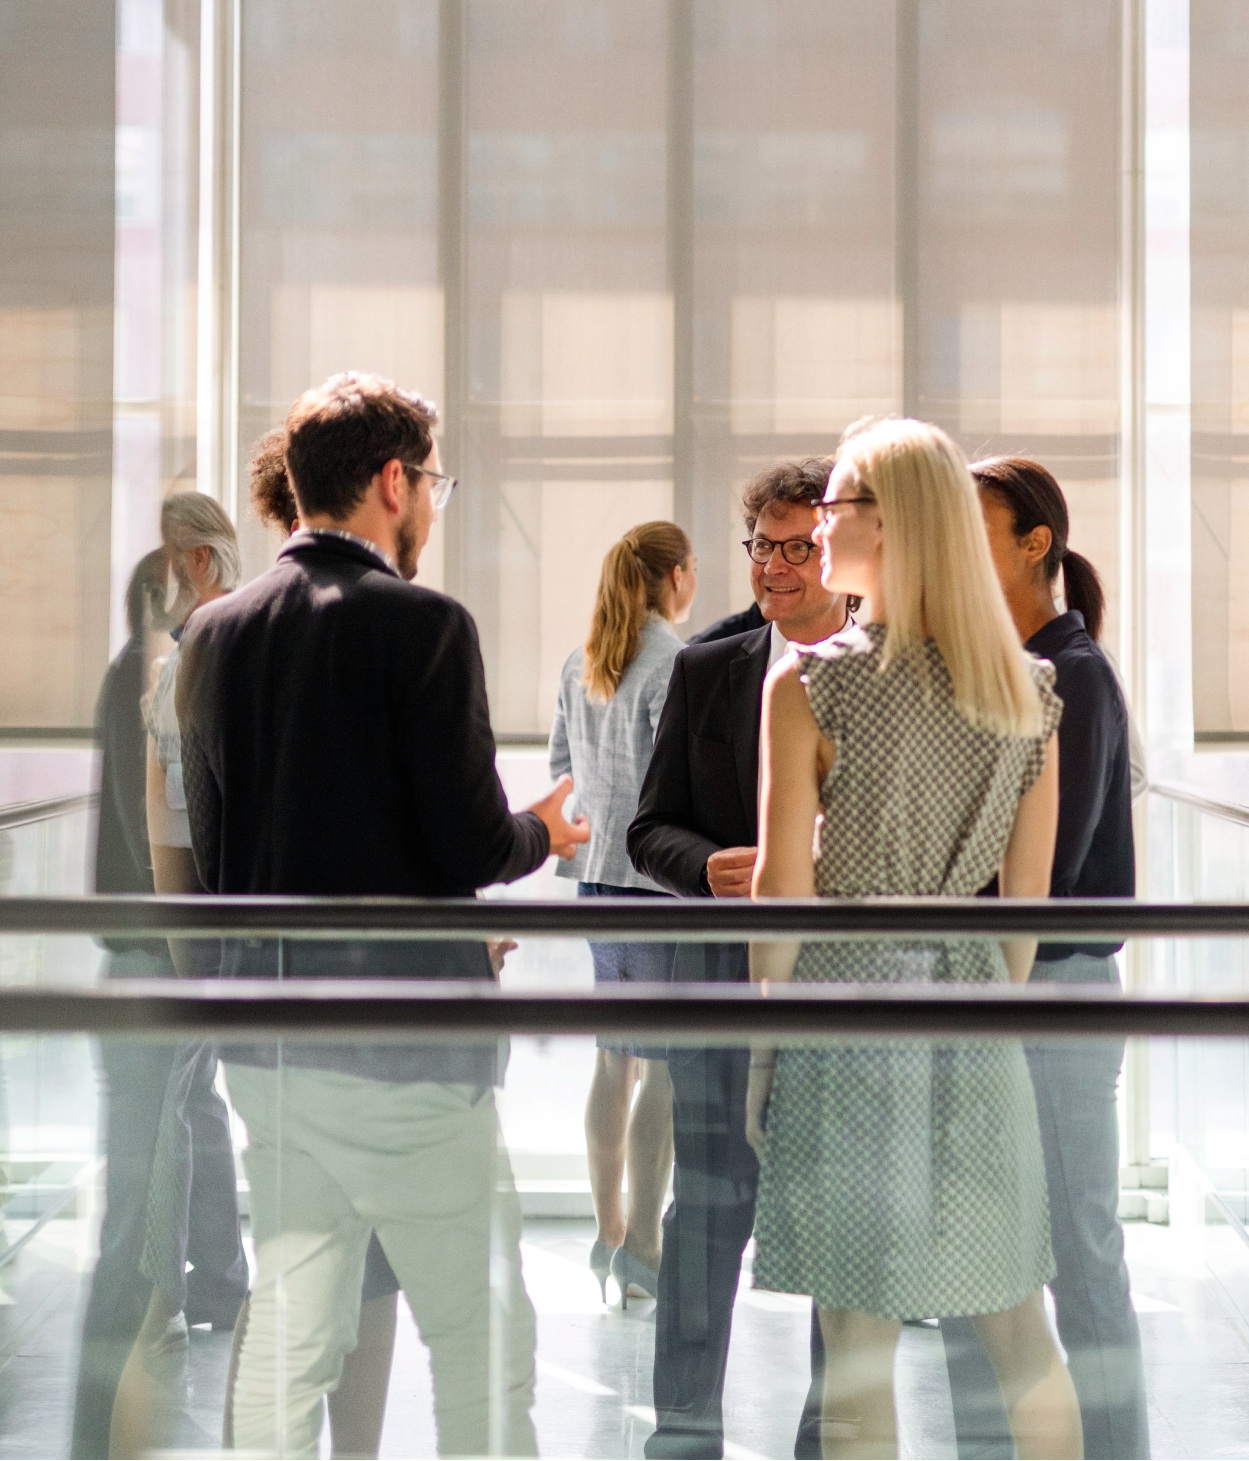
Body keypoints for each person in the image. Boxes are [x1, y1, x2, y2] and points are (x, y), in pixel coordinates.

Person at [175, 371, 589, 1456]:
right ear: (394, 483)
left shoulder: (214, 633)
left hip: (272, 1045)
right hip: (408, 1056)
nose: (435, 508)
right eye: (436, 485)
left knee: (290, 1326)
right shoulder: (425, 626)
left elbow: (226, 863)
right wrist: (543, 831)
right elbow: (468, 843)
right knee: (479, 1331)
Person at [746, 418, 1081, 1461]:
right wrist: (985, 1001)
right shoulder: (1027, 693)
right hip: (975, 1012)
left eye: (837, 507)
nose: (816, 527)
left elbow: (780, 891)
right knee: (1021, 1334)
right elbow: (1023, 906)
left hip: (845, 1015)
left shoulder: (808, 685)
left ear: (888, 527)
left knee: (856, 1348)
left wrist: (764, 1040)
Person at [626, 457, 853, 1460]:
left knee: (838, 1231)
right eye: (760, 545)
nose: (773, 565)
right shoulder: (704, 668)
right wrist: (706, 864)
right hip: (720, 988)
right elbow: (646, 830)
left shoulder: (884, 677)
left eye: (796, 546)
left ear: (839, 551)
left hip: (838, 1000)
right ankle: (682, 1430)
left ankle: (827, 1436)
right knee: (705, 1217)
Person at [940, 457, 1148, 1460]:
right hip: (986, 989)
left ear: (1035, 545)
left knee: (1079, 1257)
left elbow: (1045, 869)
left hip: (1052, 992)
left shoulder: (1071, 673)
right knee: (973, 1266)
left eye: (972, 527)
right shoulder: (989, 668)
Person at [217, 427, 403, 1461]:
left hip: (259, 1003)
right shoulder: (404, 625)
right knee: (354, 1259)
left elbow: (197, 847)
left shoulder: (220, 633)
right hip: (372, 1009)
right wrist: (532, 841)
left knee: (293, 1251)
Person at [70, 550, 247, 1458]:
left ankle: (212, 1282)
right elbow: (156, 828)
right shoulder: (153, 676)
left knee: (193, 1116)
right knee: (158, 1141)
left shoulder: (145, 670)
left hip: (158, 946)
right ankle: (169, 1298)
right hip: (155, 949)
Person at [550, 521, 695, 1306]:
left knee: (615, 1059)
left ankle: (608, 1233)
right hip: (655, 886)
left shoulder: (583, 658)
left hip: (596, 881)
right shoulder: (673, 661)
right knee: (667, 1065)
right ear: (675, 576)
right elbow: (676, 786)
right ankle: (644, 1244)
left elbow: (559, 773)